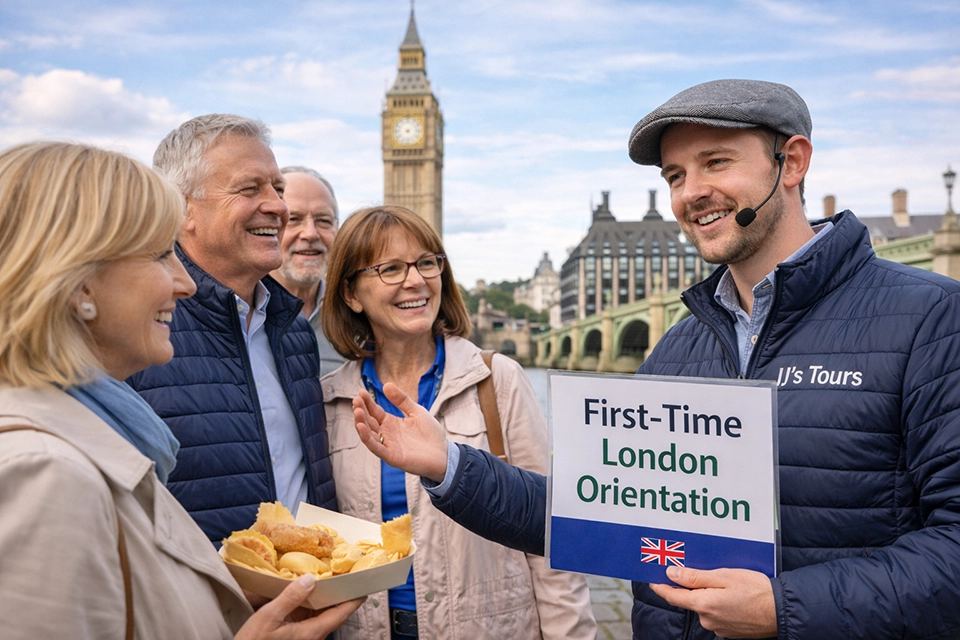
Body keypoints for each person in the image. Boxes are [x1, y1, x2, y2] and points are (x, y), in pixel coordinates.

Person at [349, 79, 960, 640]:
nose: (692, 193)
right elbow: (596, 519)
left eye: (716, 162)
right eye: (674, 175)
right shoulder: (677, 349)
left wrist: (785, 606)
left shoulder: (930, 318)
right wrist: (449, 465)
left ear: (792, 162)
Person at [0, 141, 362, 639]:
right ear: (78, 285)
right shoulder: (42, 473)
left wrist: (225, 596)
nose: (184, 282)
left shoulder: (97, 431)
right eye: (157, 254)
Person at [319, 205, 597, 639]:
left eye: (426, 262)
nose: (415, 280)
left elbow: (552, 533)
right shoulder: (329, 400)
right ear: (351, 294)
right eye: (390, 268)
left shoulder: (496, 380)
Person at [128, 115, 336, 544]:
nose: (278, 207)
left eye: (277, 188)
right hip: (196, 606)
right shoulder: (137, 327)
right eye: (250, 188)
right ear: (183, 208)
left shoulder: (294, 331)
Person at [269, 166, 345, 378]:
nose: (310, 233)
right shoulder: (242, 314)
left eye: (323, 221)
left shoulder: (357, 317)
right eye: (293, 219)